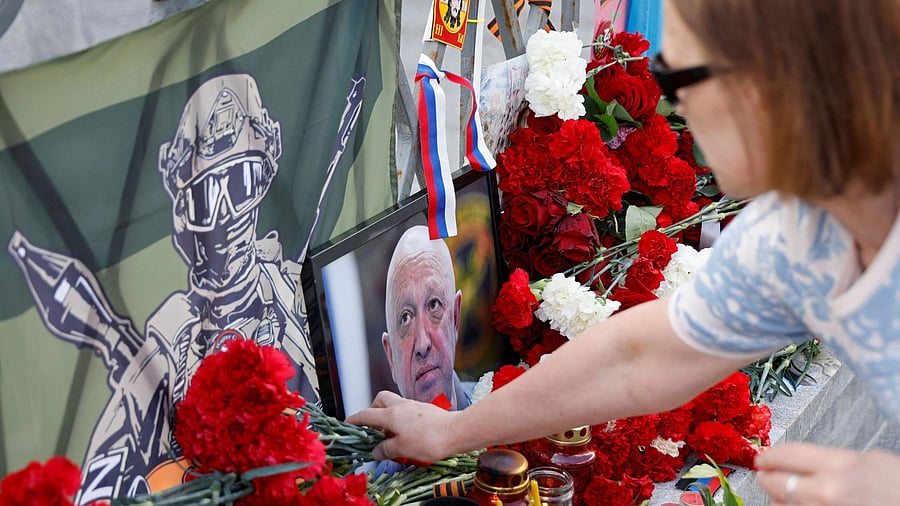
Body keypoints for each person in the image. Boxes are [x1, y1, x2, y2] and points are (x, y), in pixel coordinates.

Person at [348, 1, 900, 504]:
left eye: (675, 75)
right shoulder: (800, 237)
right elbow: (640, 356)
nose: (670, 102)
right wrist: (452, 431)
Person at [381, 225, 471, 411]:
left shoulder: (502, 412)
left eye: (433, 305)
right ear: (391, 357)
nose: (422, 345)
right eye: (405, 318)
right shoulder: (377, 441)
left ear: (455, 318)